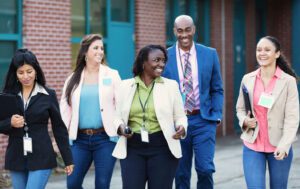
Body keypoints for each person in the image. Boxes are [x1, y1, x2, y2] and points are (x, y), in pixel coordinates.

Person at [112, 44, 187, 189]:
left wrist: (182, 127)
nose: (161, 64)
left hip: (162, 147)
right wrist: (121, 127)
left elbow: (180, 116)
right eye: (156, 60)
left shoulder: (171, 86)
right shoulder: (125, 86)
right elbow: (117, 117)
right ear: (143, 62)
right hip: (132, 148)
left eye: (163, 61)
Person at [162, 15, 224, 189]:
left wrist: (216, 115)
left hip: (203, 120)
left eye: (187, 30)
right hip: (177, 122)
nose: (184, 35)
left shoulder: (209, 54)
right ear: (174, 31)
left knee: (205, 169)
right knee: (181, 172)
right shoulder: (165, 56)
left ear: (194, 29)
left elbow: (217, 88)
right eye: (180, 31)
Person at [0, 49, 73, 189]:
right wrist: (10, 123)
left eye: (29, 71)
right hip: (16, 156)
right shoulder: (8, 96)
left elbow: (59, 128)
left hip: (42, 155)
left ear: (36, 71)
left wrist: (68, 159)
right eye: (20, 72)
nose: (25, 76)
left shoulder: (48, 95)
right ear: (15, 74)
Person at [236, 36, 299, 188]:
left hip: (279, 146)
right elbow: (240, 109)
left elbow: (292, 117)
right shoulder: (247, 79)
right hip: (253, 145)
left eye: (267, 50)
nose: (262, 53)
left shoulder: (288, 81)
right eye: (259, 50)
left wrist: (285, 144)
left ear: (277, 54)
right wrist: (244, 120)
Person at [60, 33, 121, 189]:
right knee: (72, 183)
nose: (100, 51)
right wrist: (61, 137)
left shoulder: (112, 75)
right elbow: (65, 110)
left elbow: (121, 105)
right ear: (85, 52)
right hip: (79, 140)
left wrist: (120, 127)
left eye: (102, 48)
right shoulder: (72, 78)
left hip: (105, 139)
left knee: (102, 184)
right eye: (95, 48)